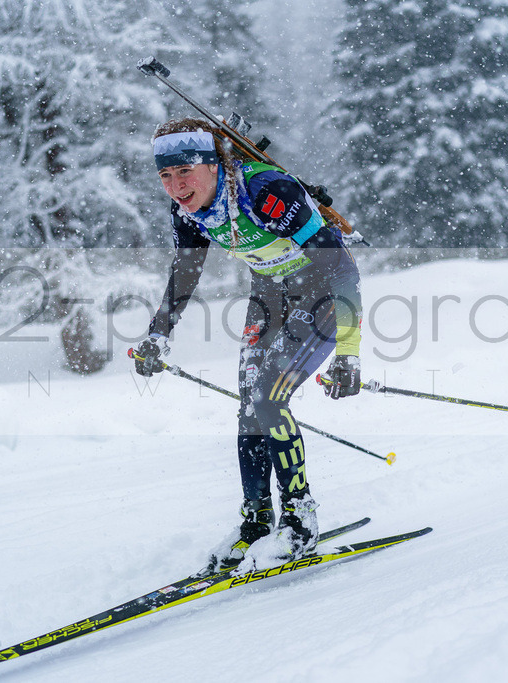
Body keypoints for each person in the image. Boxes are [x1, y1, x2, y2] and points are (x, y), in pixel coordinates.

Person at [132, 117, 362, 572]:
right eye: (165, 176)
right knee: (249, 406)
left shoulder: (266, 193)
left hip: (321, 292)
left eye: (185, 172)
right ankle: (256, 522)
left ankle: (299, 522)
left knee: (268, 399)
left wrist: (349, 353)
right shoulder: (188, 209)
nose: (177, 186)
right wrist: (159, 332)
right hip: (270, 296)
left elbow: (343, 272)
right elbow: (186, 271)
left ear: (215, 164)